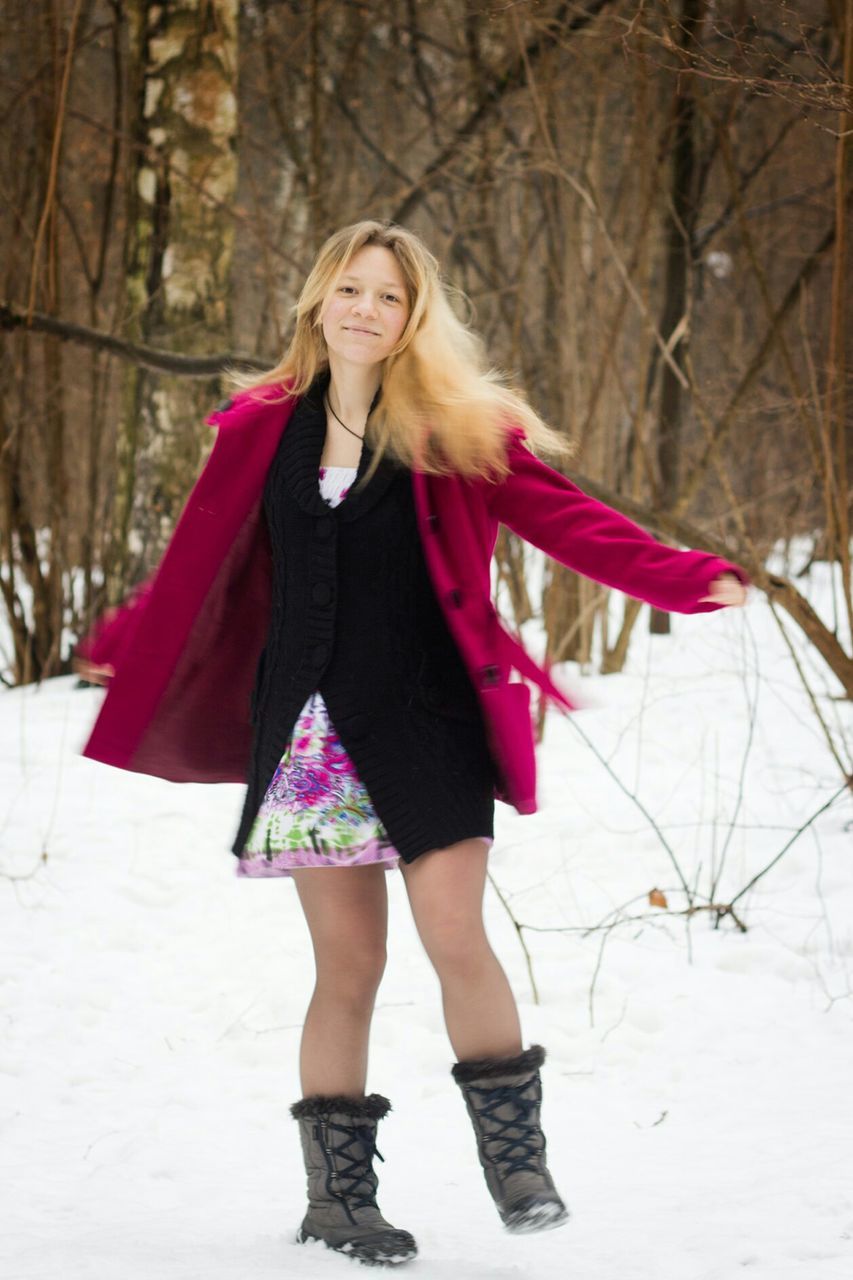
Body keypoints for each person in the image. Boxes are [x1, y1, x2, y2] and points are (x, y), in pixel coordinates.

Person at [75, 218, 748, 1268]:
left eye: (387, 298)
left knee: (453, 932)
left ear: (410, 319)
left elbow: (570, 519)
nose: (364, 310)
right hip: (307, 730)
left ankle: (516, 1167)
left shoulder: (454, 430)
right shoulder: (262, 426)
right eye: (350, 289)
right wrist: (123, 639)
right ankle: (338, 1199)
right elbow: (199, 556)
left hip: (427, 719)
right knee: (350, 963)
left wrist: (679, 576)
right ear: (318, 300)